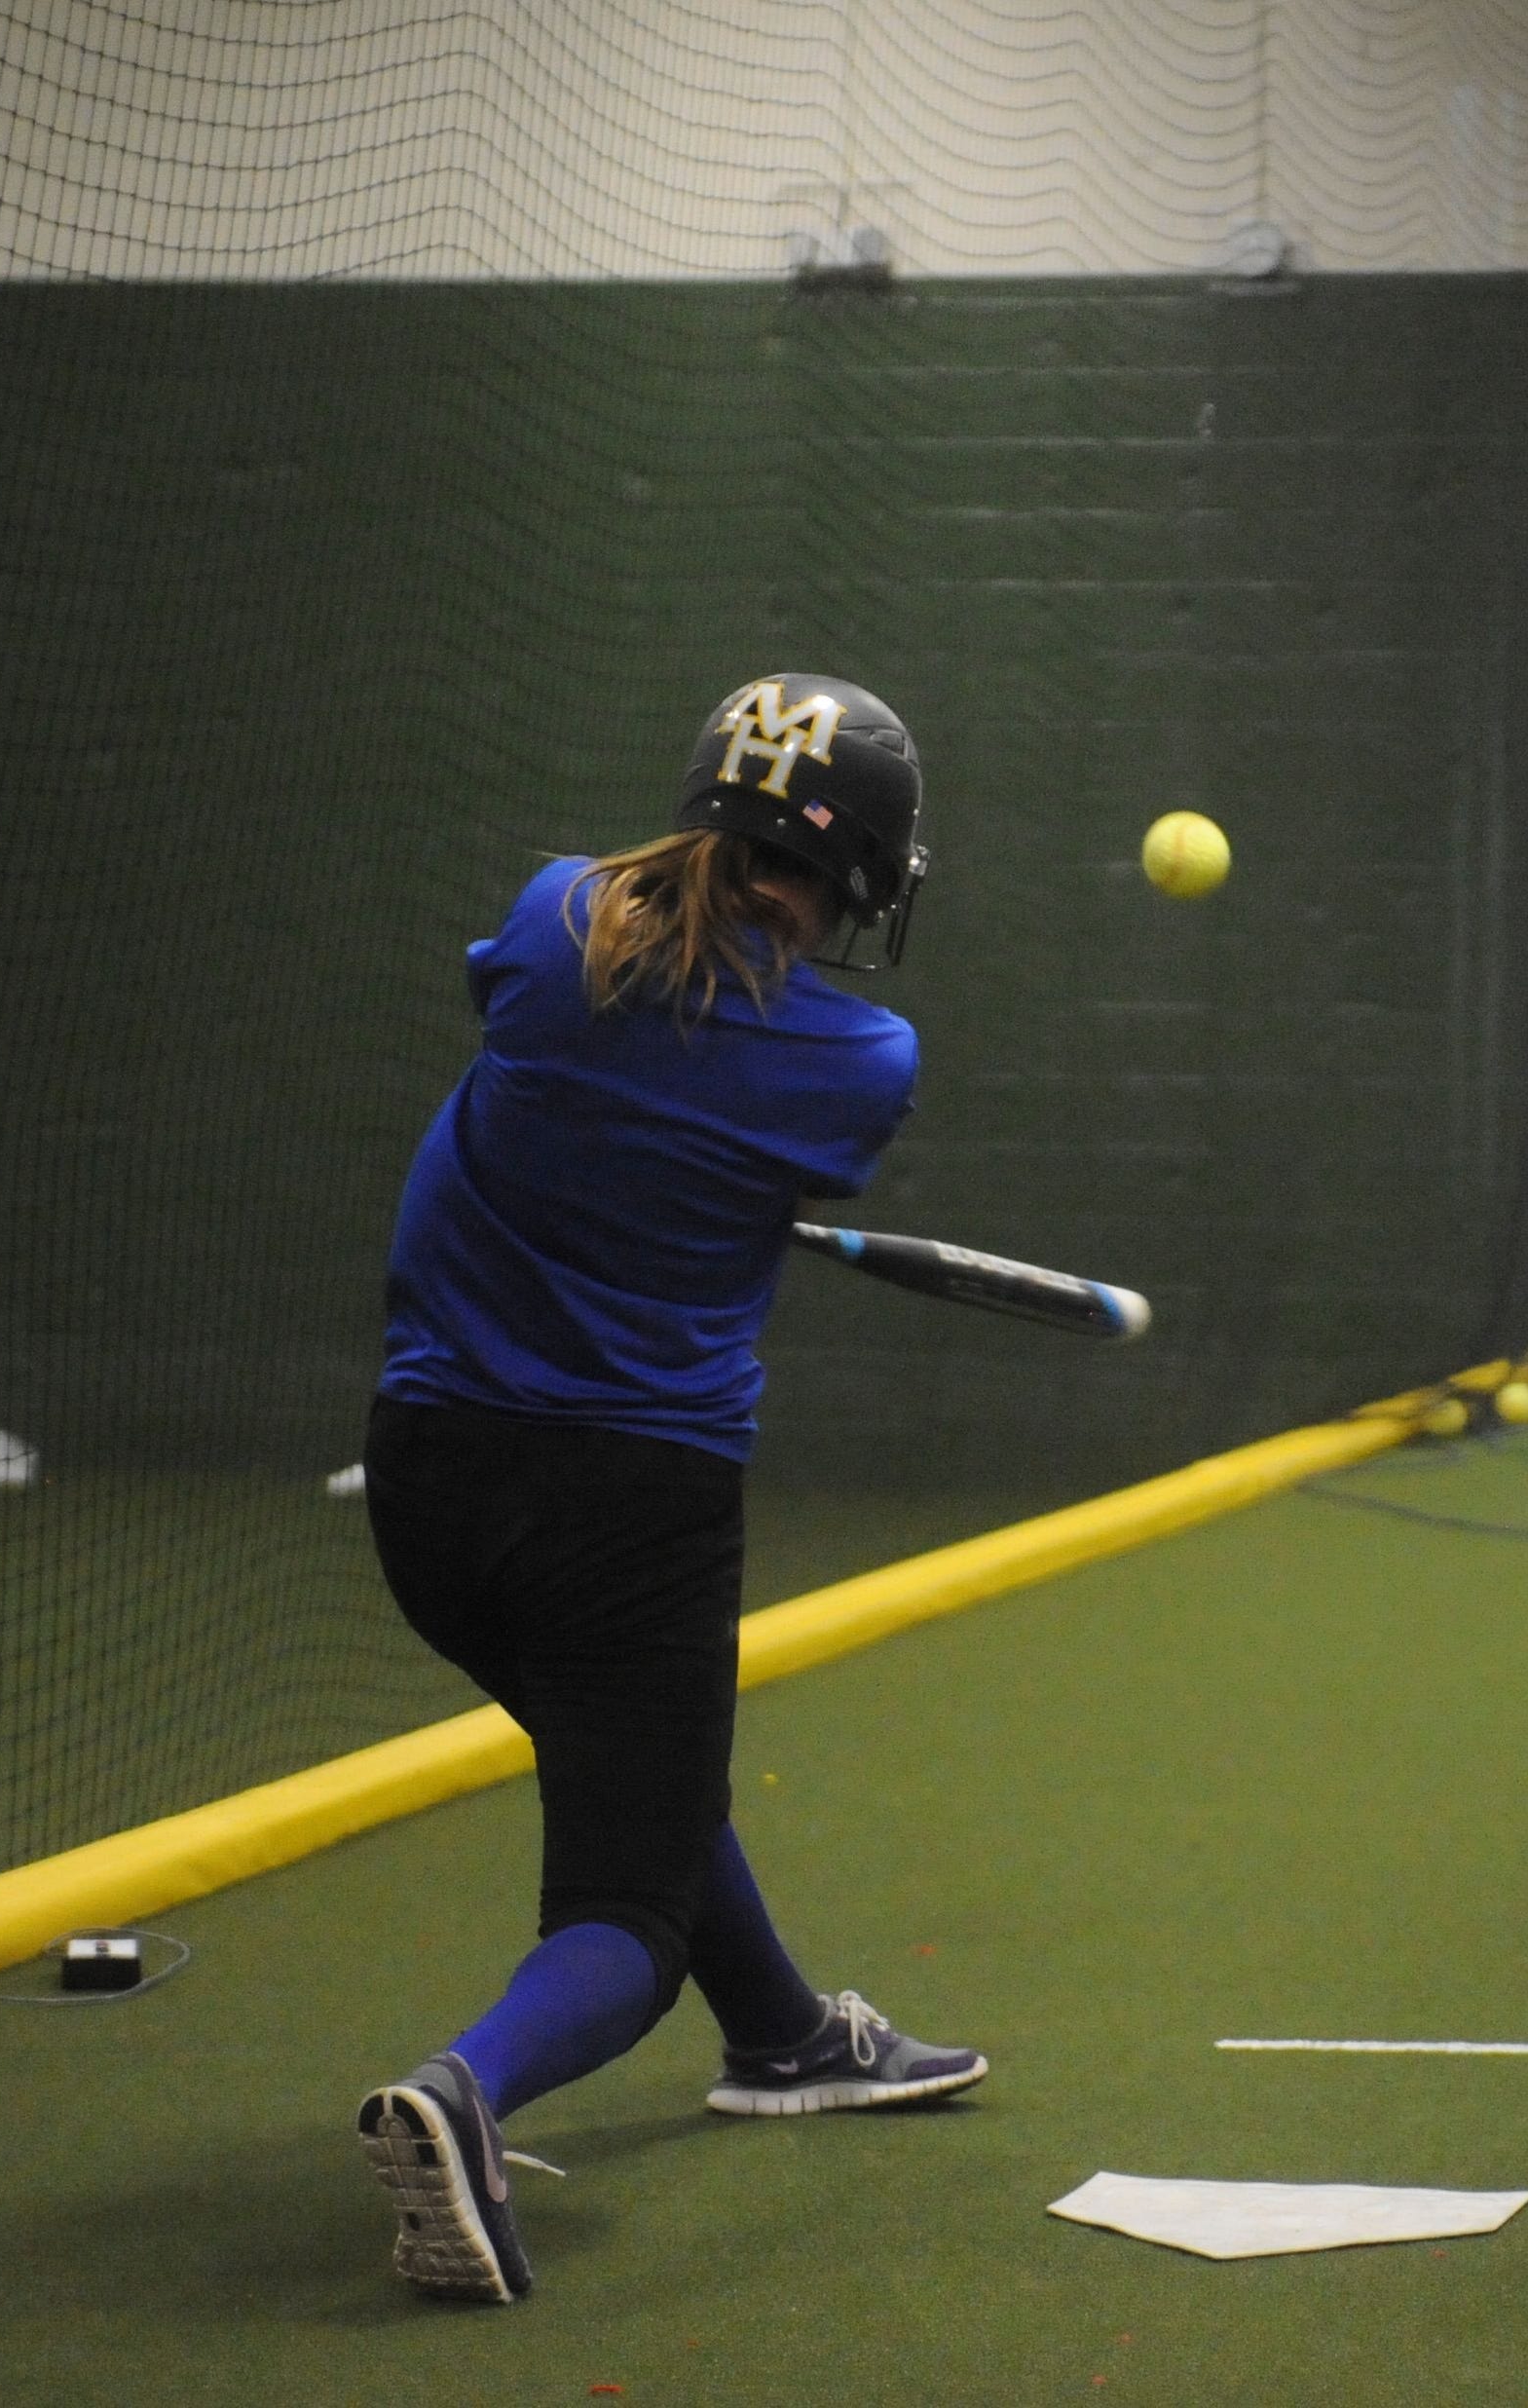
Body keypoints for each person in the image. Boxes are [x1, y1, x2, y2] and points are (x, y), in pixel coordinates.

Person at [353, 673, 986, 2306]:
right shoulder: (863, 1060)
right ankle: (466, 2093)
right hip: (630, 1511)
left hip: (427, 1490)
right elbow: (754, 1106)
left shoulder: (552, 917)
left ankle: (784, 2034)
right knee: (624, 1911)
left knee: (638, 1772)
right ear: (859, 870)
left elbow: (571, 1032)